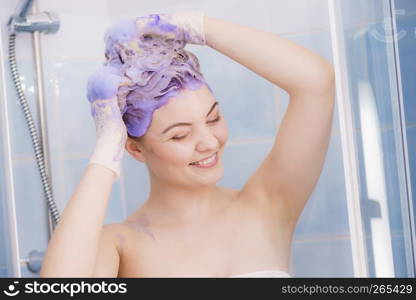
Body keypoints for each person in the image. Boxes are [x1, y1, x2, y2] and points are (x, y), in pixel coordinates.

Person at [40, 12, 335, 278]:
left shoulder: (267, 204)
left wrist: (194, 27)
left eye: (213, 118)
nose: (209, 142)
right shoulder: (120, 246)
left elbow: (316, 82)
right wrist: (107, 146)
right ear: (135, 149)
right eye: (180, 135)